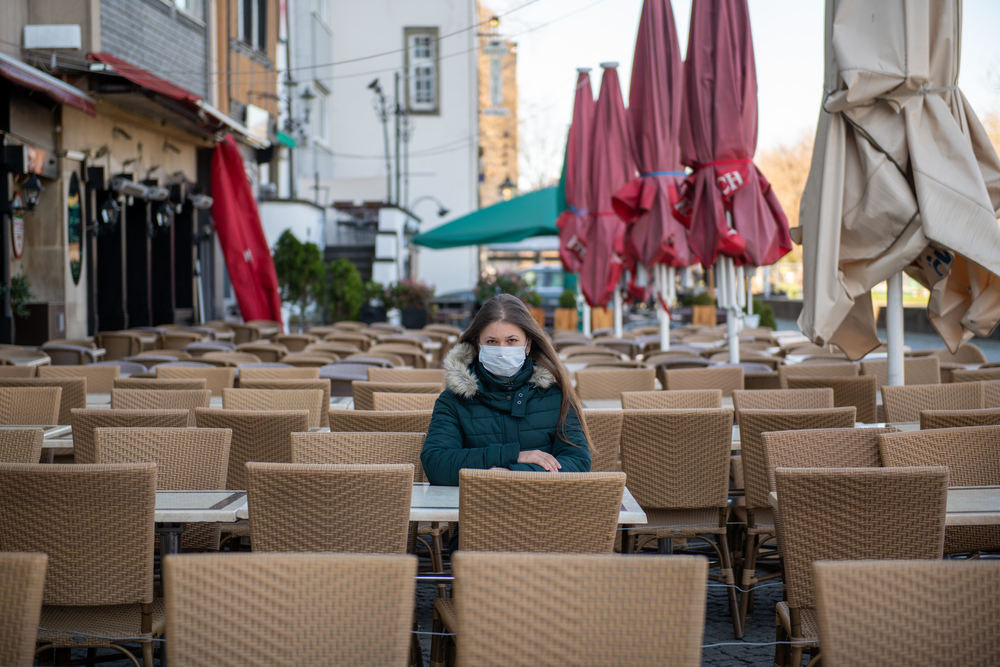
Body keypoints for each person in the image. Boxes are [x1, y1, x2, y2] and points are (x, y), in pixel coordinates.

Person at [421, 293, 592, 487]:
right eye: (492, 342)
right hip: (477, 510)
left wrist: (511, 473)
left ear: (528, 345)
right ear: (478, 345)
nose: (502, 350)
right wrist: (514, 456)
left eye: (511, 341)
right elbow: (437, 464)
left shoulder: (556, 396)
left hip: (544, 510)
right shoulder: (453, 401)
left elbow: (578, 462)